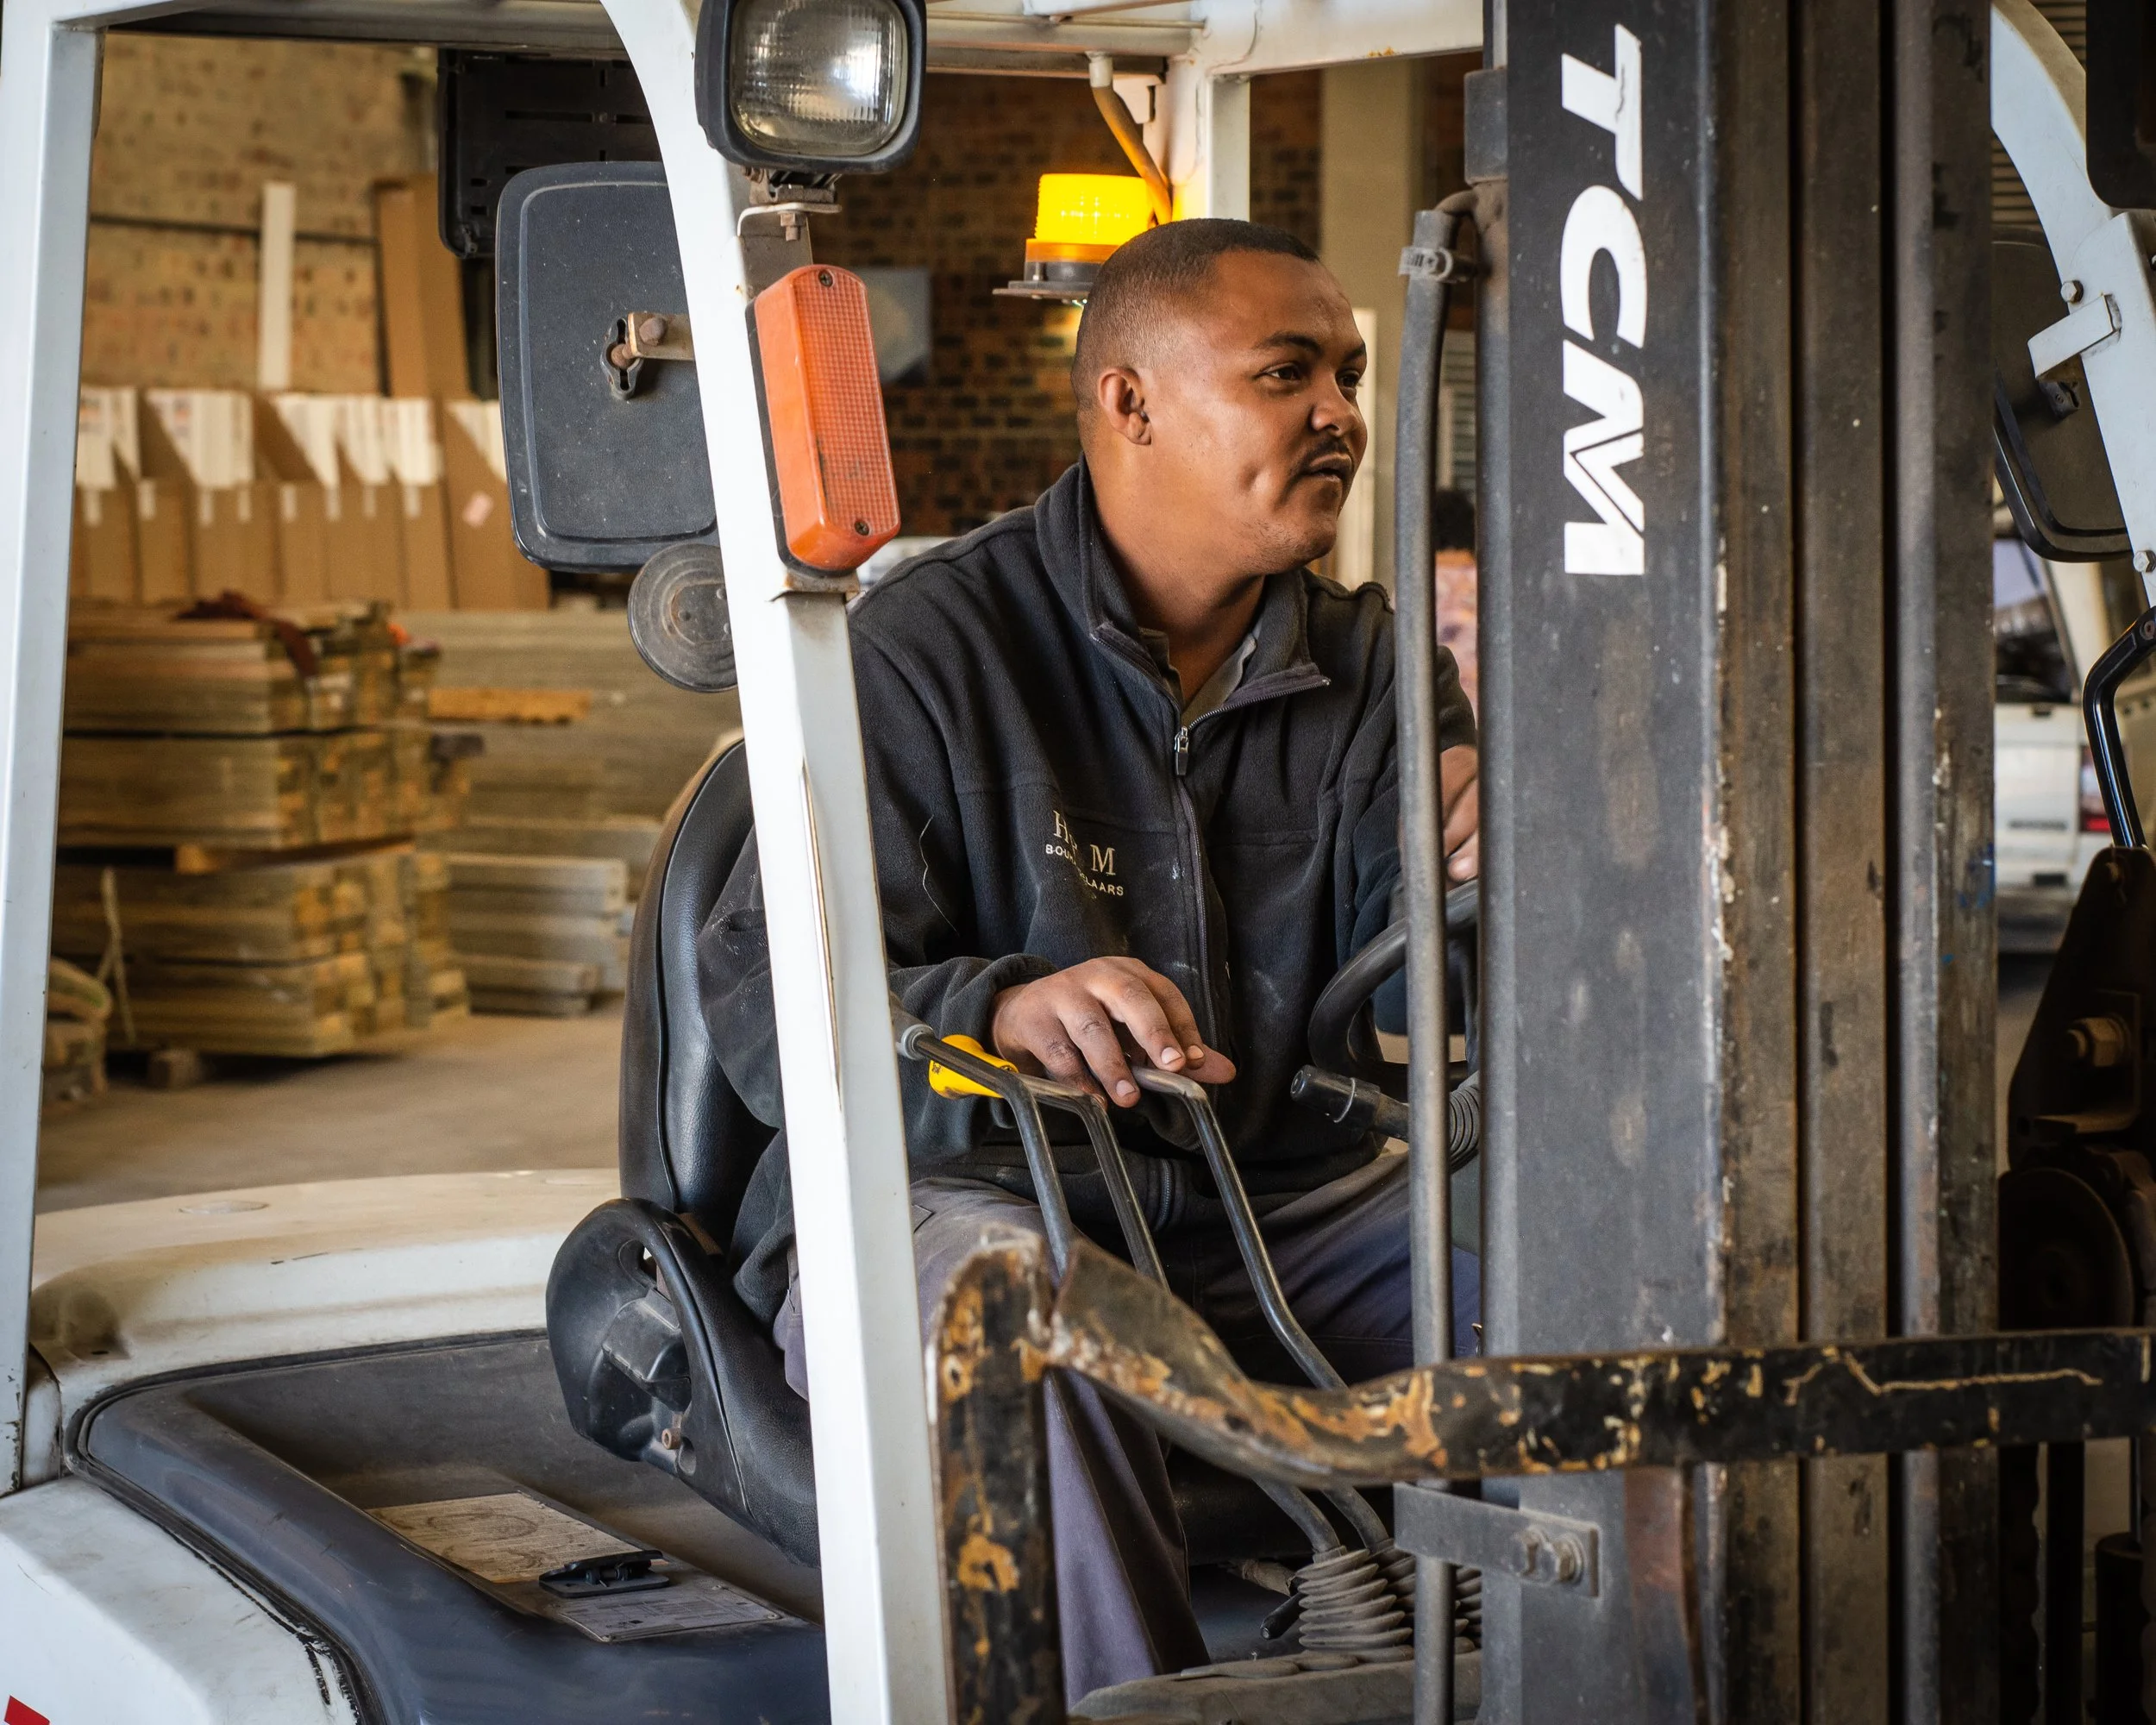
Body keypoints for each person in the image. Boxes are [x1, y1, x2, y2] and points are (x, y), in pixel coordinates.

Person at [699, 217, 1480, 1701]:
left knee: (1607, 1261)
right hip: (970, 1200)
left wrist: (1536, 869)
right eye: (1288, 373)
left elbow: (1443, 944)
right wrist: (999, 1004)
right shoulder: (929, 648)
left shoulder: (1373, 663)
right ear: (1129, 403)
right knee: (1034, 1334)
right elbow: (768, 995)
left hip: (1277, 1206)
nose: (1344, 415)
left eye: (1353, 375)